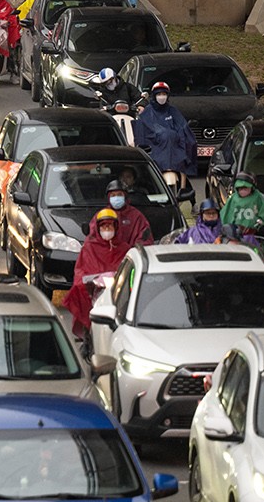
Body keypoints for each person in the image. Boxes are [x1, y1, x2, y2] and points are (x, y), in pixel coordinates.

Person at [63, 208, 131, 341]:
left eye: (109, 225)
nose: (107, 229)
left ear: (116, 227)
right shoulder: (89, 247)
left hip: (117, 289)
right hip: (93, 289)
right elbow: (81, 270)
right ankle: (87, 331)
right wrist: (87, 281)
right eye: (103, 226)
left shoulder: (124, 248)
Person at [133, 81, 197, 180]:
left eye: (164, 94)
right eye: (159, 94)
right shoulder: (147, 112)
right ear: (154, 96)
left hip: (174, 149)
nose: (161, 97)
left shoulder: (172, 110)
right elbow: (142, 134)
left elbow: (182, 127)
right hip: (155, 150)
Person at [223, 172, 264, 240]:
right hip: (234, 235)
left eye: (245, 188)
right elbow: (226, 215)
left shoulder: (257, 197)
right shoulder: (233, 199)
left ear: (252, 188)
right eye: (240, 188)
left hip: (254, 235)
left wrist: (262, 223)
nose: (243, 191)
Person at [102, 179, 154, 247]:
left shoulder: (136, 215)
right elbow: (93, 239)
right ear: (109, 198)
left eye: (119, 195)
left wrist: (132, 250)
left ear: (125, 196)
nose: (116, 198)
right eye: (113, 195)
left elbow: (145, 239)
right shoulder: (102, 215)